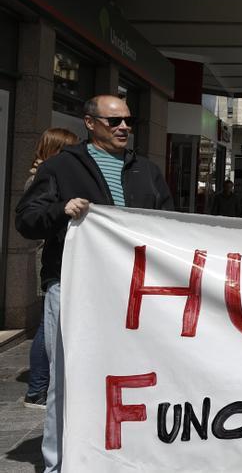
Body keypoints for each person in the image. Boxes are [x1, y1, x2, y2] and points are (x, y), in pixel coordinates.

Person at [16, 95, 172, 472]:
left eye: (128, 121)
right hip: (74, 288)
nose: (123, 128)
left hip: (131, 292)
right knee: (67, 381)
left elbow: (169, 222)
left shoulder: (146, 171)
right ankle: (60, 464)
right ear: (90, 123)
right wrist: (60, 210)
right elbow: (26, 220)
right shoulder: (61, 167)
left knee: (130, 373)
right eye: (113, 121)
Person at [21, 128, 80, 409]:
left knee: (48, 324)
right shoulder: (42, 176)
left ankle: (37, 387)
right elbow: (33, 218)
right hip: (50, 256)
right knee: (47, 325)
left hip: (55, 255)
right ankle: (37, 389)